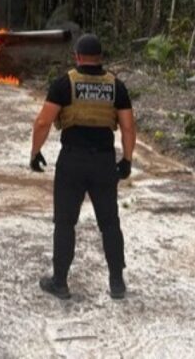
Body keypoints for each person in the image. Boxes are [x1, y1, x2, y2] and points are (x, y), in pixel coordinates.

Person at [30, 33, 137, 301]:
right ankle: (116, 283)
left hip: (72, 163)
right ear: (100, 57)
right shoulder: (116, 86)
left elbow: (43, 122)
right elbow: (128, 126)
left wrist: (35, 152)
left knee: (65, 223)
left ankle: (60, 282)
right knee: (110, 223)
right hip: (103, 162)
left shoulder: (65, 84)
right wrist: (127, 159)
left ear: (77, 56)